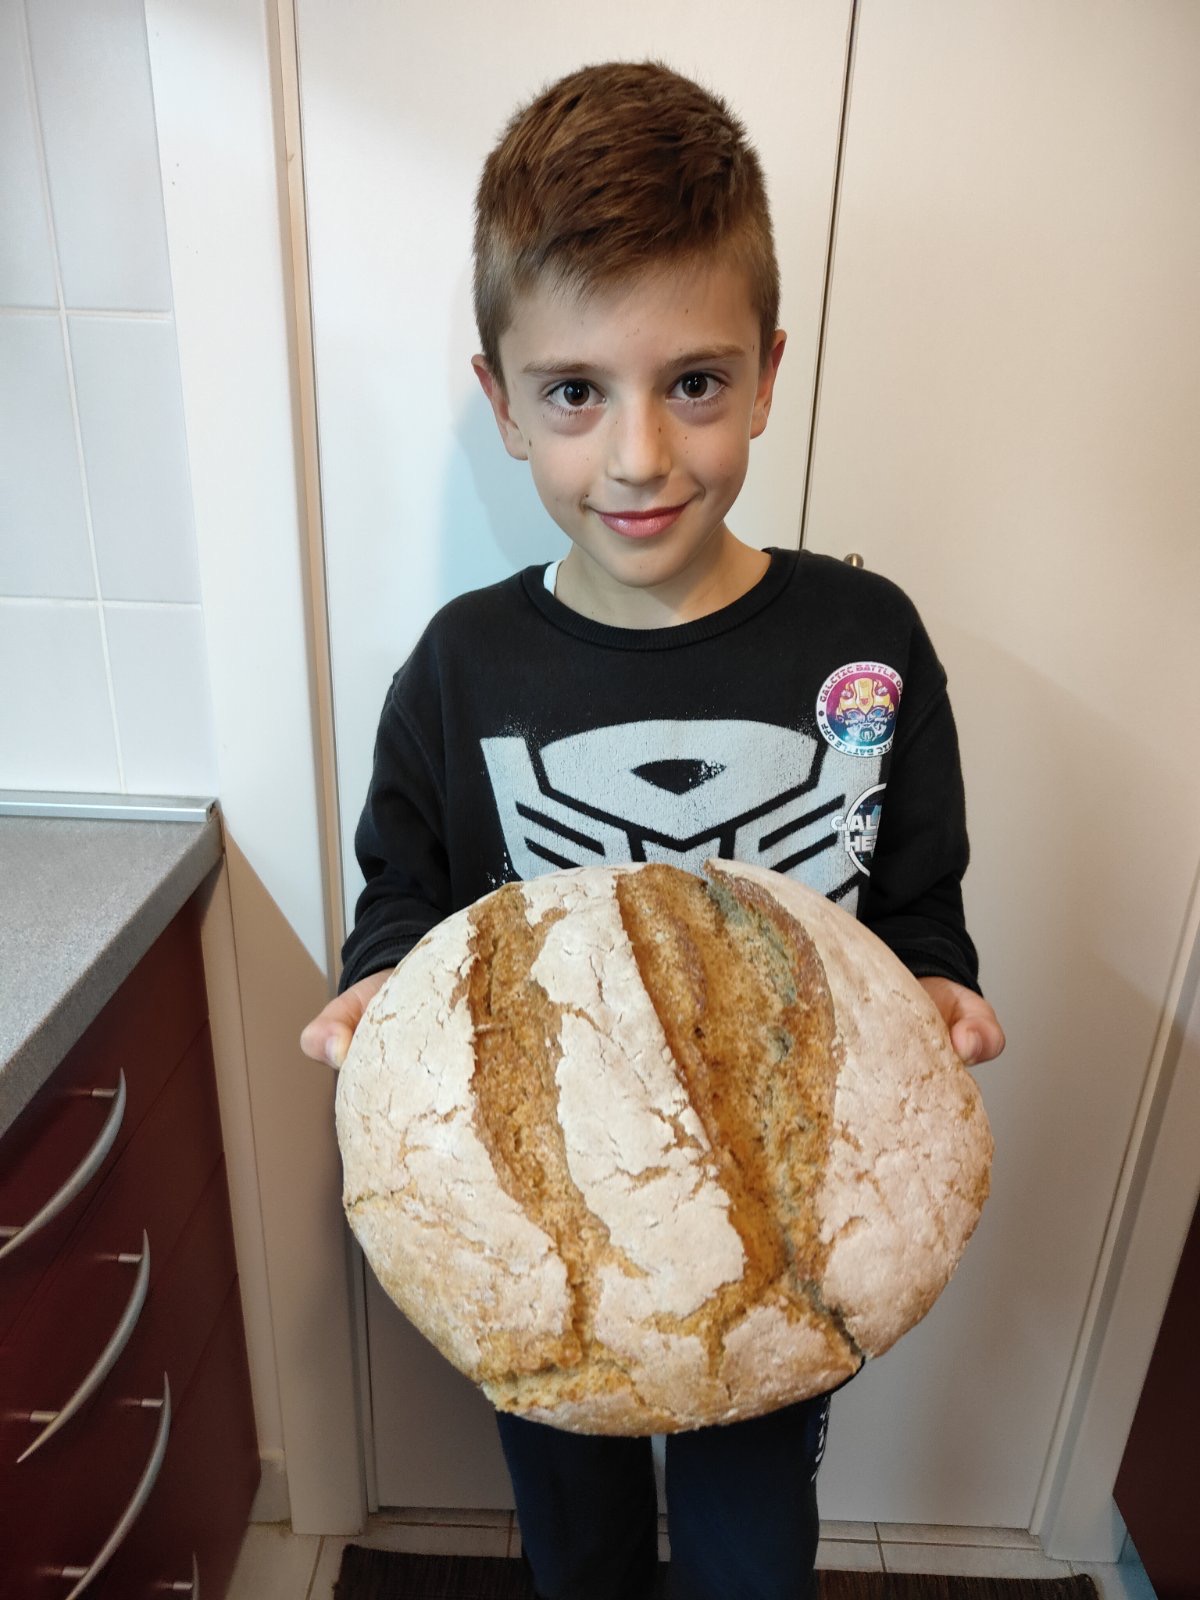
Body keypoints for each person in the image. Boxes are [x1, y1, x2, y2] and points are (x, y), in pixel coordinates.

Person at [300, 59, 1005, 1600]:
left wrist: (939, 981)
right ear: (502, 401)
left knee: (755, 1552)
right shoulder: (461, 670)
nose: (638, 455)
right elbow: (406, 897)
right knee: (581, 1547)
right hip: (536, 1240)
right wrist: (379, 987)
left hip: (788, 1233)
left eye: (693, 383)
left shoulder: (865, 647)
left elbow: (915, 893)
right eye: (575, 392)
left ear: (767, 373)